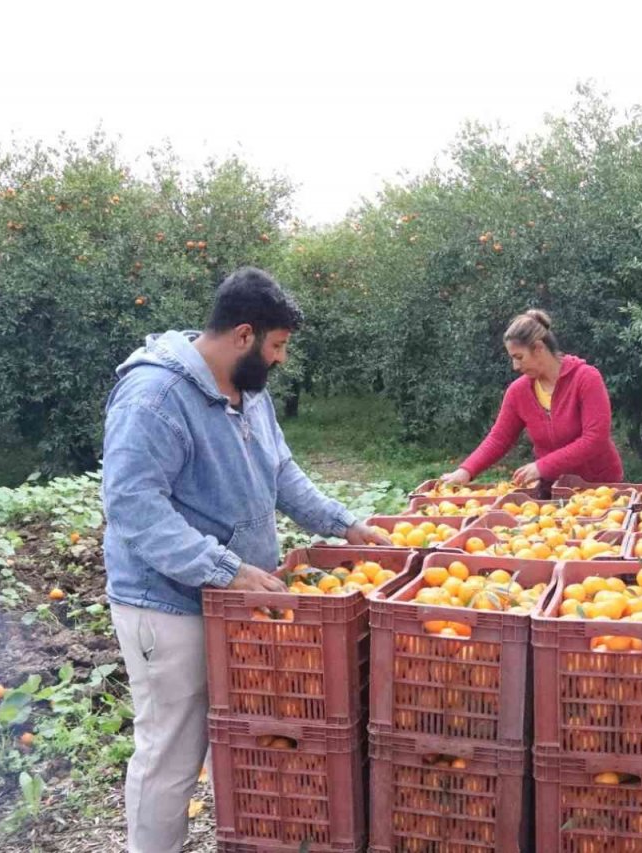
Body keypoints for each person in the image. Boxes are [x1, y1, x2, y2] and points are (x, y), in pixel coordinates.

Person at [102, 267, 389, 853]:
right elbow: (133, 506)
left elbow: (280, 471)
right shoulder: (154, 397)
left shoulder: (249, 391)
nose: (281, 359)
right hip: (168, 604)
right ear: (243, 335)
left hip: (237, 601)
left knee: (236, 739)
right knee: (171, 753)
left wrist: (344, 524)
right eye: (277, 345)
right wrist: (224, 569)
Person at [441, 310, 623, 494]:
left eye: (519, 357)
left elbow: (595, 439)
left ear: (538, 348)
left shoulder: (586, 378)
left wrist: (543, 466)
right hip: (551, 491)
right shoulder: (518, 391)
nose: (515, 366)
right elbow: (499, 438)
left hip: (599, 489)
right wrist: (466, 471)